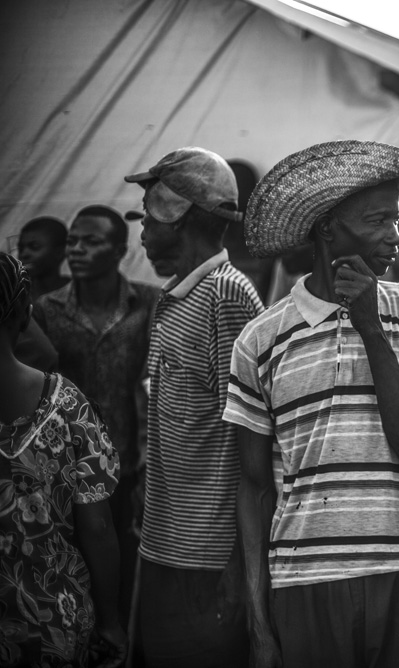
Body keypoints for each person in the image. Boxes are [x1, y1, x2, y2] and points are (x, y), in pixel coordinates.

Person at [225, 140, 399, 668]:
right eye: (378, 220)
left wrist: (371, 327)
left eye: (395, 219)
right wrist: (259, 623)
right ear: (328, 229)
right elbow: (255, 486)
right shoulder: (260, 339)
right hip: (307, 575)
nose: (395, 236)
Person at [125, 146, 263, 667]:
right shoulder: (181, 296)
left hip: (206, 553)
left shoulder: (225, 296)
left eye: (147, 211)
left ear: (176, 214)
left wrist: (237, 563)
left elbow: (249, 431)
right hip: (166, 535)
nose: (141, 228)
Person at [0, 253, 127, 667]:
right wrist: (111, 623)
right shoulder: (66, 404)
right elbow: (98, 527)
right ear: (25, 315)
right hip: (52, 623)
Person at [33, 205, 160, 621]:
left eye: (92, 241)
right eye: (73, 241)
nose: (77, 250)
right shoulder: (46, 310)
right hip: (65, 469)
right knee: (70, 570)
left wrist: (148, 466)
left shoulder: (148, 303)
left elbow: (153, 386)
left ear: (120, 250)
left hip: (127, 466)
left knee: (125, 566)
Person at [17, 216, 70, 300]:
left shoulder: (80, 293)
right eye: (21, 248)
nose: (24, 254)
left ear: (59, 252)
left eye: (34, 247)